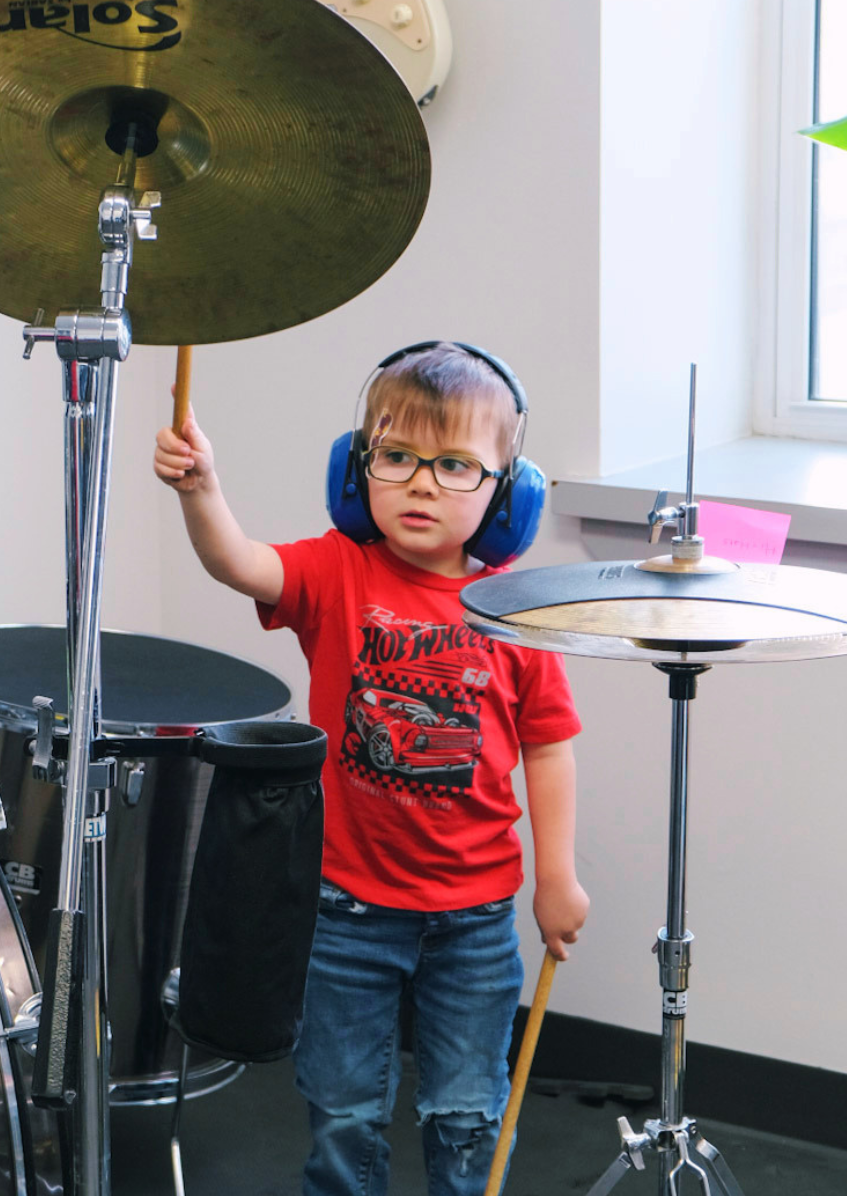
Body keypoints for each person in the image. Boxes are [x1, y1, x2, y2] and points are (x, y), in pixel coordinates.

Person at [152, 342, 588, 1196]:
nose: (422, 484)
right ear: (358, 471)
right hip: (344, 909)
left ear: (509, 493)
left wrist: (558, 877)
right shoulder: (332, 571)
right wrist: (201, 492)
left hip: (475, 917)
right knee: (343, 1110)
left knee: (465, 1112)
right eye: (397, 458)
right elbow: (238, 560)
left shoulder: (514, 615)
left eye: (456, 465)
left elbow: (547, 745)